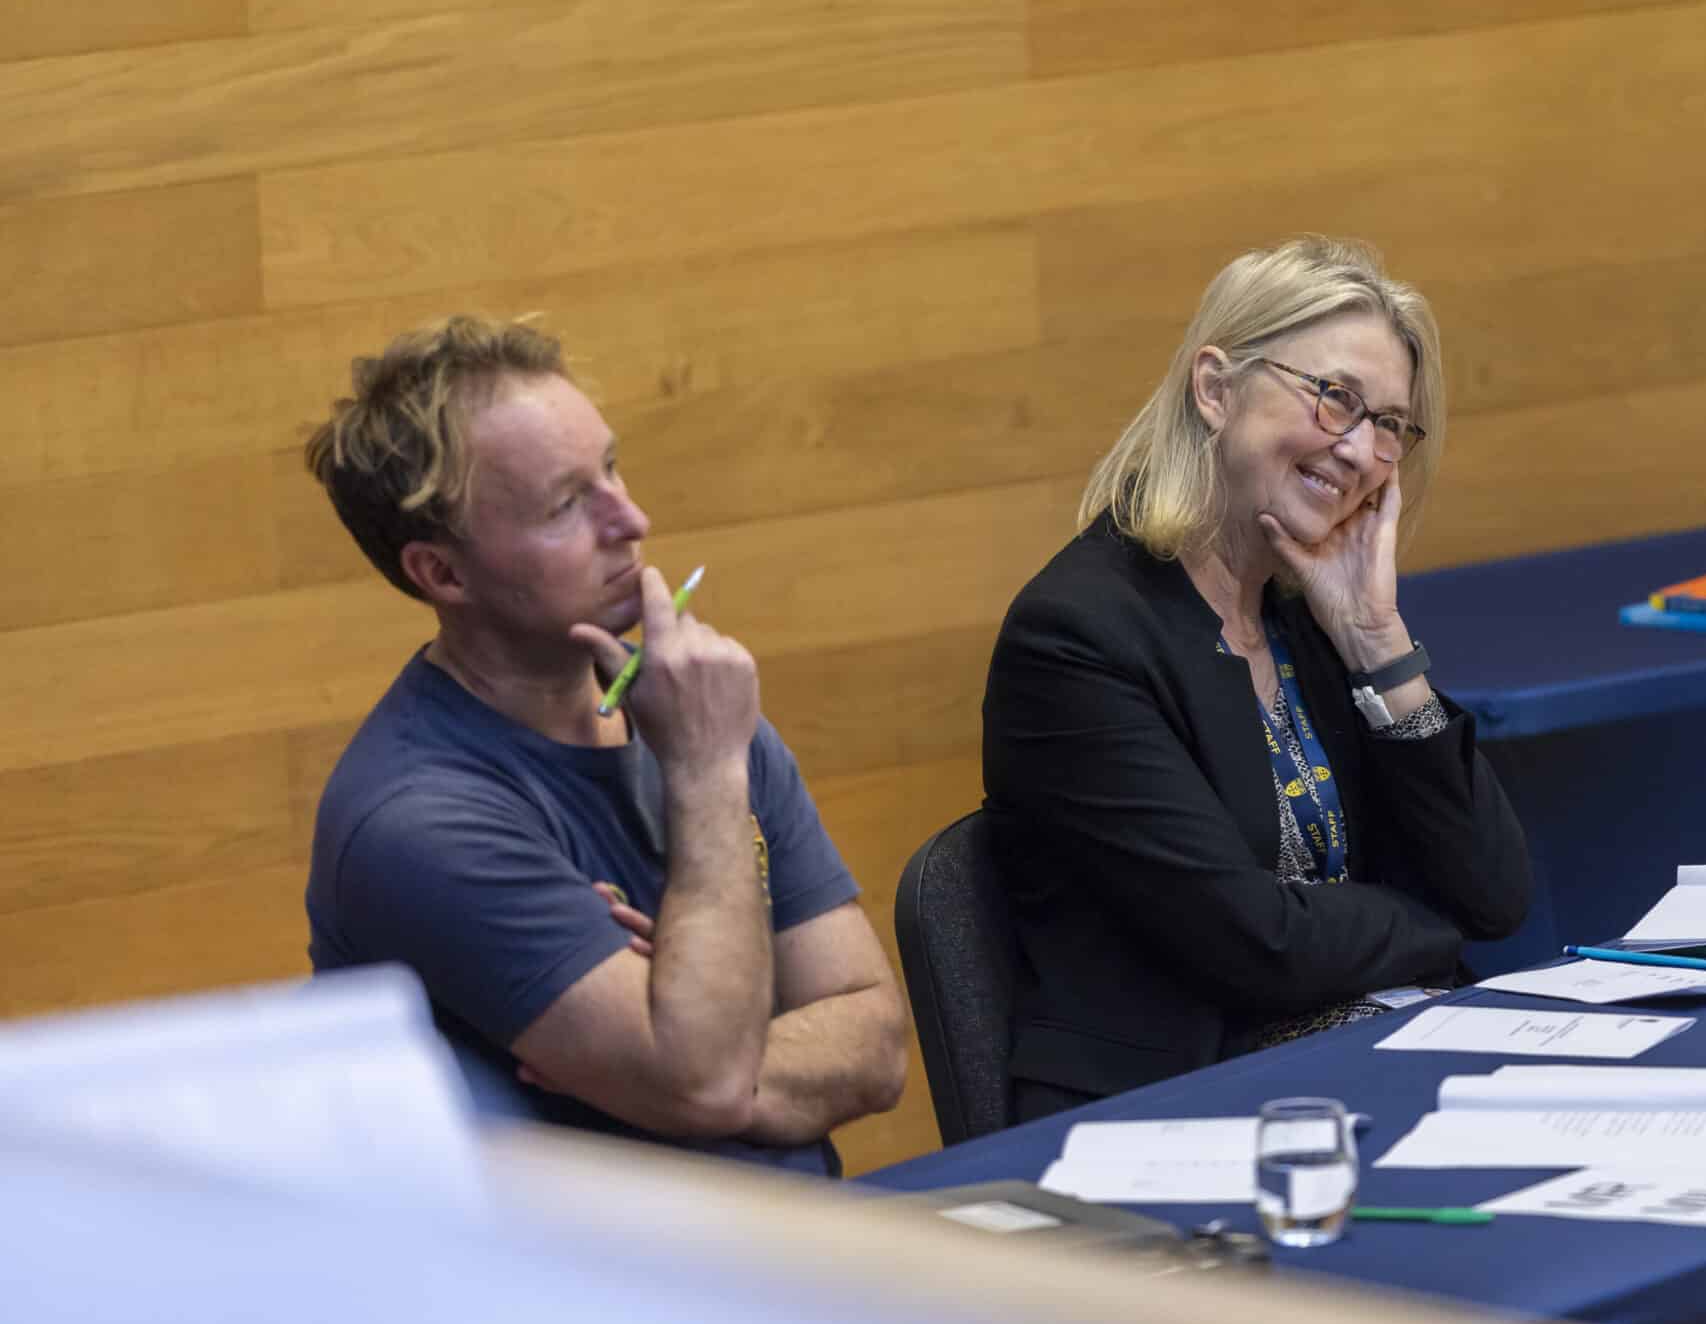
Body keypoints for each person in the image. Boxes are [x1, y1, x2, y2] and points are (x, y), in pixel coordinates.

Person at [302, 316, 907, 1174]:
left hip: (794, 1252)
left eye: (612, 469)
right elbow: (700, 1084)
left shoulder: (693, 700)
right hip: (596, 1288)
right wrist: (704, 777)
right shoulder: (417, 819)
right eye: (565, 505)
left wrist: (708, 1028)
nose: (632, 518)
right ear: (442, 574)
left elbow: (875, 1039)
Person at [984, 237, 1532, 1122]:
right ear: (1215, 389)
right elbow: (1256, 943)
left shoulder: (1307, 610)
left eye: (1388, 424)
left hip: (1362, 1058)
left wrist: (1377, 642)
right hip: (1176, 1106)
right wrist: (1429, 927)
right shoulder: (1078, 636)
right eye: (1335, 400)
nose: (1360, 451)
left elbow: (1495, 892)